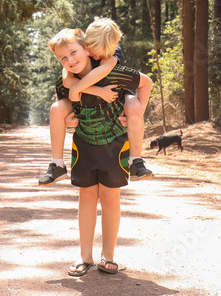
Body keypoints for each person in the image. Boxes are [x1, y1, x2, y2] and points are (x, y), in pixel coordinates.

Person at [47, 18, 142, 276]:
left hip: (116, 144)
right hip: (84, 145)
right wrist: (67, 118)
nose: (69, 60)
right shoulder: (66, 78)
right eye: (63, 58)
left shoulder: (114, 68)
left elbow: (144, 84)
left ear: (88, 49)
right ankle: (85, 258)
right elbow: (62, 105)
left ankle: (108, 256)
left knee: (111, 198)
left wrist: (134, 112)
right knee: (87, 198)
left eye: (74, 53)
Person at [38, 24, 153, 185]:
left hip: (119, 93)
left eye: (93, 50)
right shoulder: (75, 61)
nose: (92, 53)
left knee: (134, 106)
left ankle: (135, 161)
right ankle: (58, 165)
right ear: (86, 44)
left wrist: (138, 113)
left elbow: (106, 70)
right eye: (63, 58)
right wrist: (66, 119)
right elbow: (66, 80)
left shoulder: (111, 54)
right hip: (84, 98)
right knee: (56, 109)